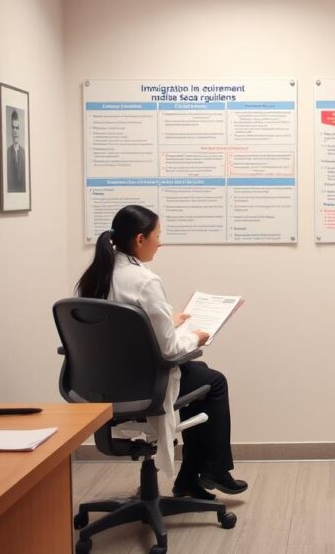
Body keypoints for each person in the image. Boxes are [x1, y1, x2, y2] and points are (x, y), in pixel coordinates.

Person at [76, 204, 247, 499]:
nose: (161, 241)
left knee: (201, 376)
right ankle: (214, 469)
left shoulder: (95, 277)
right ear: (140, 239)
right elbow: (169, 349)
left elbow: (121, 330)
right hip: (143, 386)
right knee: (214, 382)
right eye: (158, 234)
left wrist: (169, 320)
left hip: (102, 384)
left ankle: (192, 477)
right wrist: (195, 337)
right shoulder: (145, 281)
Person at [6, 110, 26, 193]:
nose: (15, 131)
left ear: (19, 129)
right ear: (11, 129)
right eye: (13, 127)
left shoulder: (24, 153)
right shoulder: (7, 153)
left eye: (17, 128)